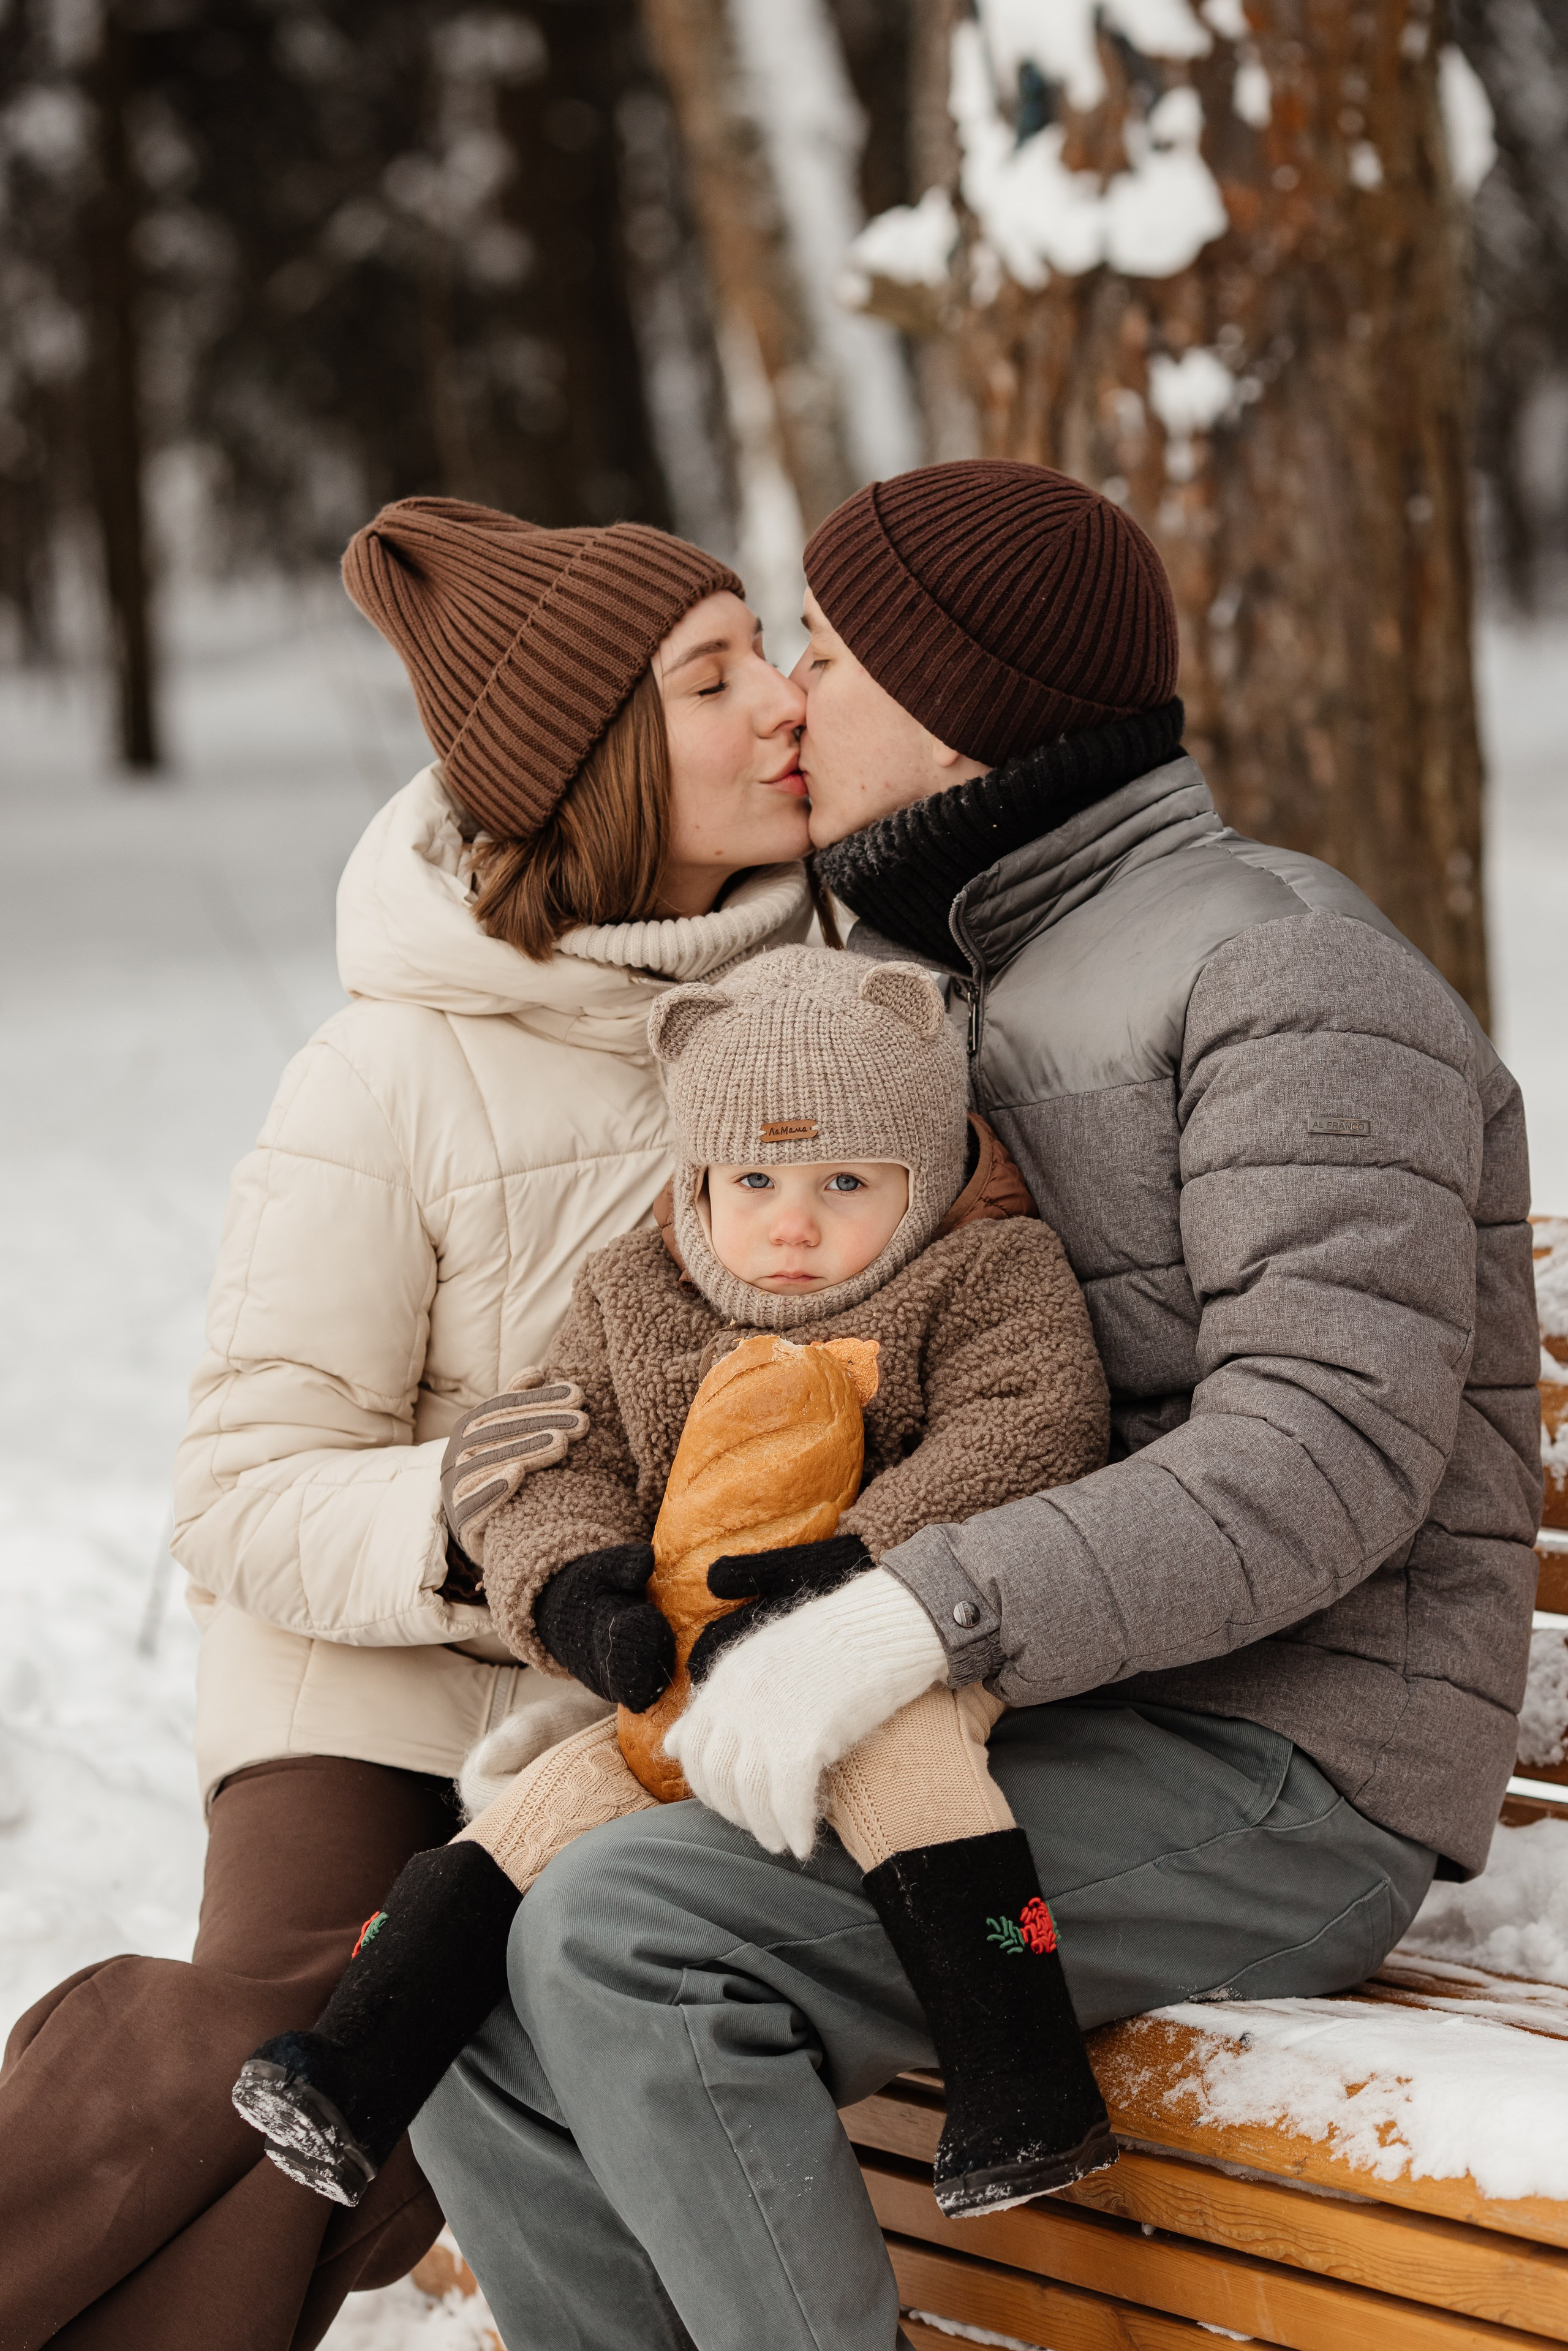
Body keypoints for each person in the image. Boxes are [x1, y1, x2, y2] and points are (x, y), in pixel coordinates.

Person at [412, 462, 1542, 2351]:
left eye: (831, 652)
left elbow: (1328, 1444)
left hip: (1285, 1760)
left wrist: (906, 1613)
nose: (788, 695)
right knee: (461, 1961)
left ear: (961, 699)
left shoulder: (1285, 968)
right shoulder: (934, 988)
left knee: (633, 1937)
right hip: (1038, 1720)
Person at [0, 497, 815, 2350]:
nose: (784, 704)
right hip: (367, 1678)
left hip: (628, 1712)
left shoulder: (840, 1026)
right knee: (295, 2039)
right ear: (600, 754)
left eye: (769, 653)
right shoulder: (391, 1067)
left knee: (367, 2111)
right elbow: (240, 1487)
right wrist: (484, 1524)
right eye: (717, 676)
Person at [230, 943, 1115, 2219]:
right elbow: (555, 1446)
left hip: (892, 1646)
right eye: (752, 1177)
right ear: (698, 1175)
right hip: (678, 1675)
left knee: (910, 1767)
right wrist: (576, 1588)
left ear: (925, 1175)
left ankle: (1022, 2076)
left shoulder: (984, 1275)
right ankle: (356, 2064)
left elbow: (1027, 1427)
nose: (790, 1220)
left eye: (844, 1180)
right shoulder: (639, 1288)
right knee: (530, 1814)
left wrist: (866, 1562)